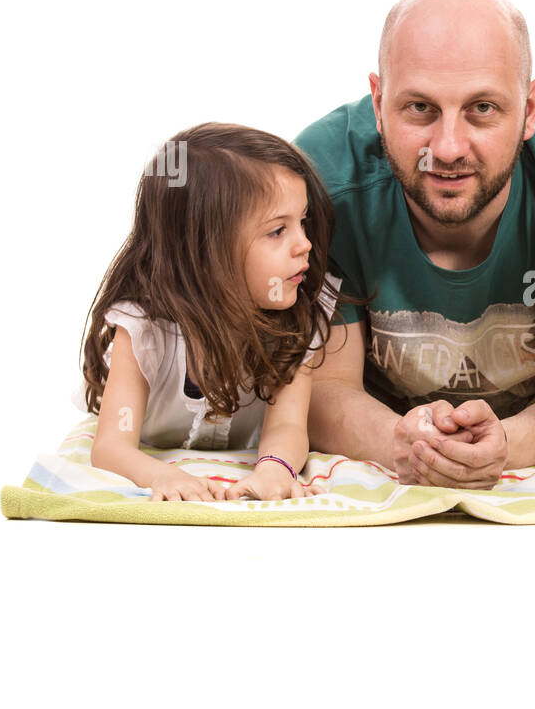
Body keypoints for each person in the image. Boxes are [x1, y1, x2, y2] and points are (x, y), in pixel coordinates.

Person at [297, 0, 535, 489]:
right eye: (420, 108)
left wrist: (505, 445)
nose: (447, 148)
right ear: (379, 102)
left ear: (530, 110)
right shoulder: (321, 183)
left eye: (482, 109)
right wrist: (400, 442)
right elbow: (320, 387)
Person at [80, 124, 344, 502]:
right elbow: (110, 447)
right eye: (276, 231)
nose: (304, 244)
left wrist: (274, 470)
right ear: (204, 254)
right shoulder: (143, 327)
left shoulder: (299, 317)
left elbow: (287, 424)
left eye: (302, 222)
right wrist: (162, 477)